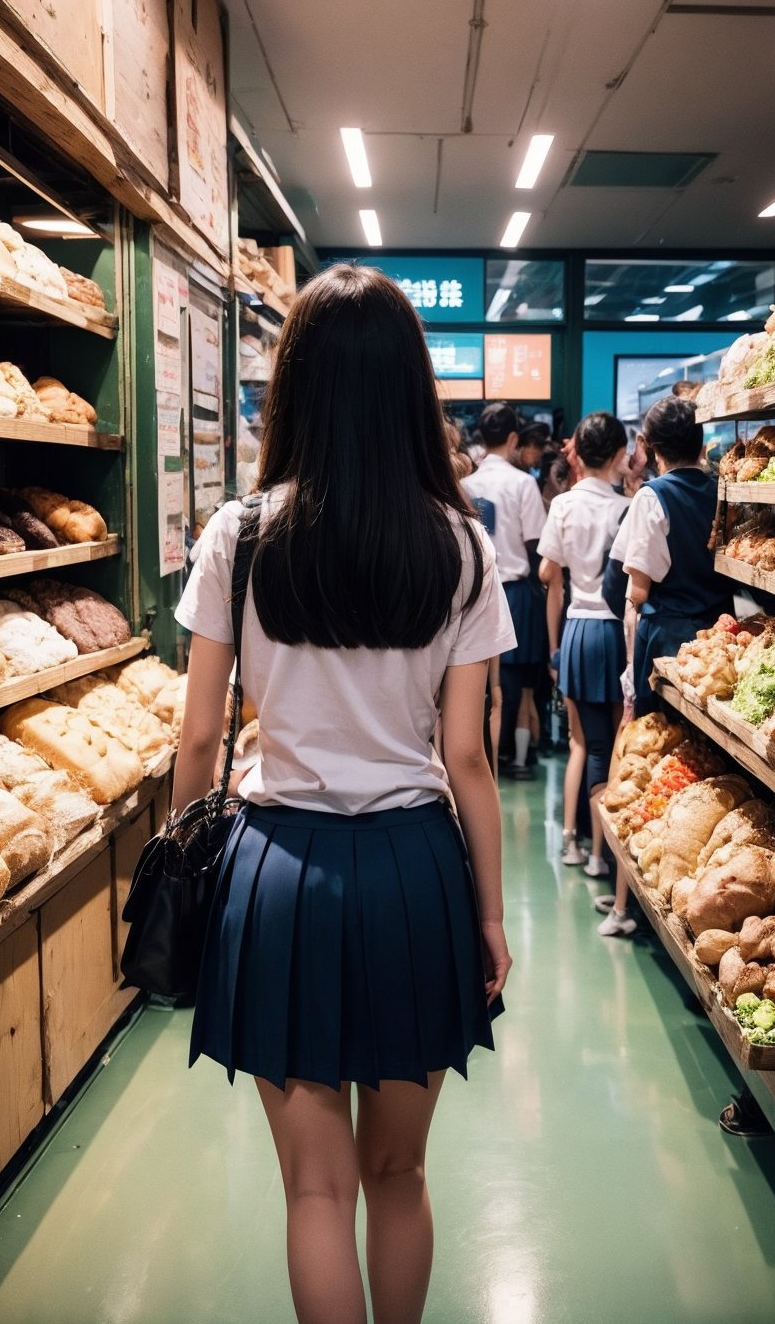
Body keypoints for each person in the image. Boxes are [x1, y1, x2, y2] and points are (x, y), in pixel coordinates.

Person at [173, 264, 514, 1324]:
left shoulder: (239, 535)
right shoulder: (461, 546)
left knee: (312, 1187)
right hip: (416, 875)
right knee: (398, 1177)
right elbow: (467, 760)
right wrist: (493, 914)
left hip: (276, 874)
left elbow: (197, 738)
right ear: (411, 387)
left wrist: (184, 868)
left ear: (296, 387)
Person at [598, 395, 734, 936]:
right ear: (701, 443)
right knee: (703, 759)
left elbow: (636, 587)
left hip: (668, 641)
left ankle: (640, 900)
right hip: (718, 641)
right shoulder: (721, 488)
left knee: (657, 761)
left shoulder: (654, 497)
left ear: (649, 448)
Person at [537, 413, 629, 868]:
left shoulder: (564, 506)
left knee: (579, 743)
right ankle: (602, 852)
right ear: (617, 455)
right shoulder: (624, 507)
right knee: (612, 745)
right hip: (613, 632)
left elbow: (546, 572)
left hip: (576, 631)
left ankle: (571, 838)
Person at [462, 402, 547, 779]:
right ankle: (510, 757)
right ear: (514, 438)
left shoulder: (466, 483)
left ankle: (485, 757)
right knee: (515, 683)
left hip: (474, 591)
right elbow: (535, 544)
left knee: (478, 681)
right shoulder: (523, 482)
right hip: (516, 592)